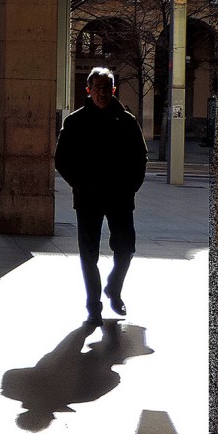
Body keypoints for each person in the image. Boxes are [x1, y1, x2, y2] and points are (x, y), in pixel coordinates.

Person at [55, 66, 148, 327]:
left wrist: (131, 187)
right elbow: (61, 159)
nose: (103, 93)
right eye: (98, 88)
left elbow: (140, 157)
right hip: (88, 198)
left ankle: (113, 289)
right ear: (88, 90)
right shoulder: (75, 122)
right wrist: (81, 184)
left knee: (126, 249)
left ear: (114, 90)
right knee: (88, 254)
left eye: (107, 88)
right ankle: (93, 305)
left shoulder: (127, 121)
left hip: (120, 198)